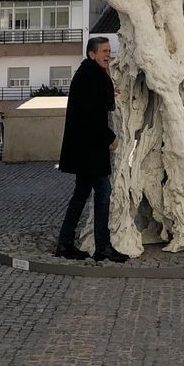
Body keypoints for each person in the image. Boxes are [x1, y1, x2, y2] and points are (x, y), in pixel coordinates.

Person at [55, 36, 128, 262]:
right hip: (89, 149)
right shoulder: (90, 77)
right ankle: (102, 246)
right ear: (92, 54)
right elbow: (91, 114)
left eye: (109, 51)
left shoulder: (90, 74)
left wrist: (107, 80)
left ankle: (65, 243)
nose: (108, 54)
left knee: (81, 194)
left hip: (85, 149)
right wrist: (110, 138)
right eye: (104, 51)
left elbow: (102, 102)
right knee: (103, 192)